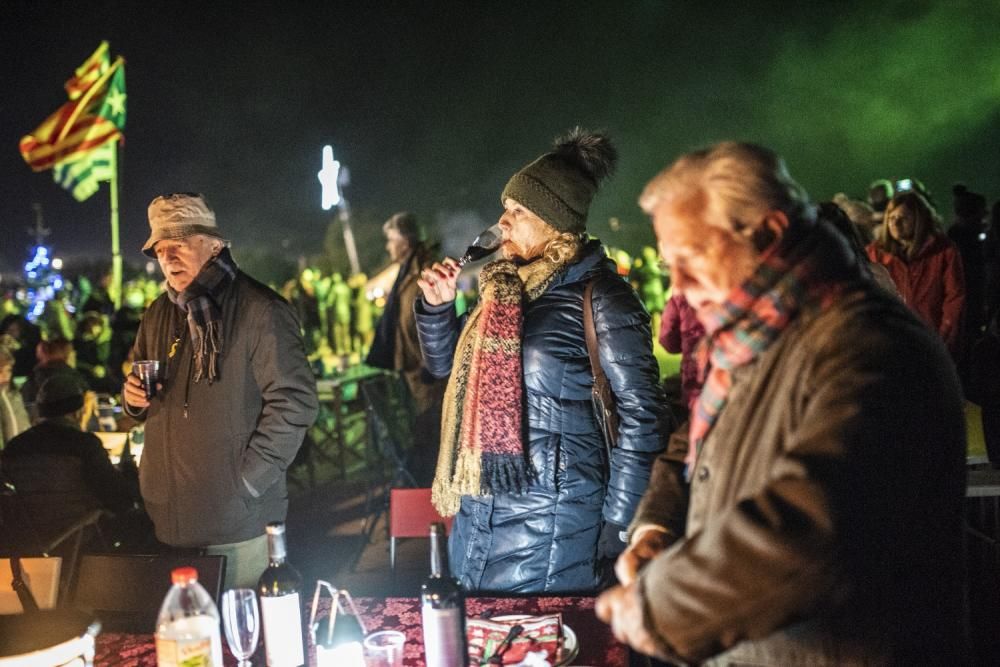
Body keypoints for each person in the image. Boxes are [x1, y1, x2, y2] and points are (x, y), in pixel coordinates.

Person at [596, 142, 967, 664]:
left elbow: (815, 528)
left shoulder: (869, 345)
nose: (677, 285)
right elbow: (692, 444)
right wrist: (656, 528)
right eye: (668, 263)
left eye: (692, 257)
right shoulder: (750, 337)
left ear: (769, 234)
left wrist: (658, 607)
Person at [416, 129, 670, 593]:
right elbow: (448, 372)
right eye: (505, 208)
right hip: (479, 514)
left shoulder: (604, 298)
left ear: (554, 221)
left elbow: (643, 414)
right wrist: (437, 309)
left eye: (518, 212)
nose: (503, 222)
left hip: (554, 526)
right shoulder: (503, 289)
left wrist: (620, 524)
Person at [122, 193, 318, 589]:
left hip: (238, 523)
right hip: (170, 519)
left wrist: (244, 483)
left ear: (214, 245)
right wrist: (132, 400)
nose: (168, 256)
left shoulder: (260, 309)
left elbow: (295, 403)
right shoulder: (159, 312)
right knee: (190, 643)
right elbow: (138, 392)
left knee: (243, 639)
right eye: (160, 248)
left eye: (180, 243)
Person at [2, 373, 137, 550]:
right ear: (77, 411)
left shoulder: (14, 447)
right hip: (80, 539)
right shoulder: (84, 445)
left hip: (27, 540)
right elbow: (118, 498)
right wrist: (129, 473)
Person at [366, 212, 448, 486]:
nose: (388, 246)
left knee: (432, 431)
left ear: (405, 239)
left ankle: (432, 496)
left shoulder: (425, 269)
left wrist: (430, 363)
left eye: (391, 239)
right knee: (423, 430)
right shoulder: (407, 270)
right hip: (414, 369)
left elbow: (440, 317)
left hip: (429, 373)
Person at [866, 190, 965, 357]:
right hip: (891, 344)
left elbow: (954, 297)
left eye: (903, 218)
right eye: (891, 218)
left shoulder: (943, 251)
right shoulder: (875, 254)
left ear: (919, 220)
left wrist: (943, 341)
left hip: (931, 340)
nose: (895, 224)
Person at [0, 347, 30, 450]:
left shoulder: (11, 396)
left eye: (8, 370)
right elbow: (14, 431)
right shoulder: (6, 397)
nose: (5, 375)